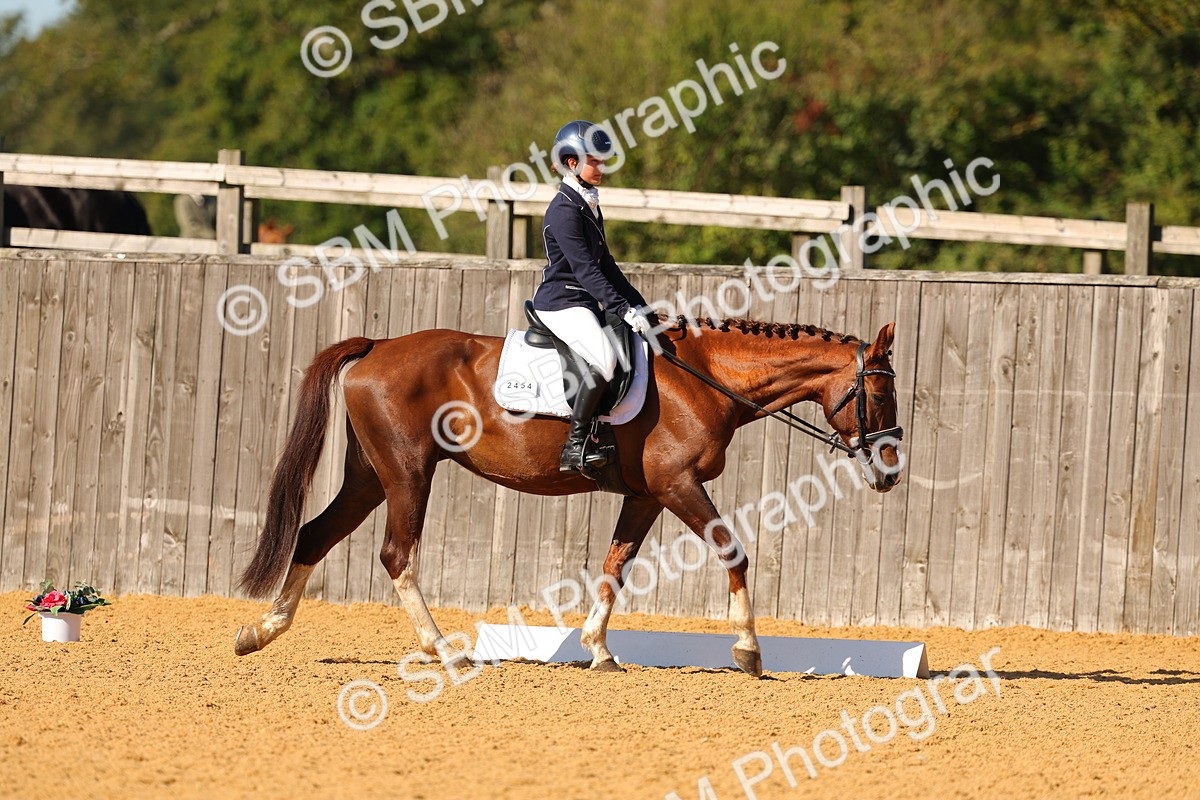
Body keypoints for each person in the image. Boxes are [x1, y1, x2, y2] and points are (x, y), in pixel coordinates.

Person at [532, 120, 654, 474]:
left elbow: (607, 264)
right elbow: (586, 270)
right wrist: (620, 308)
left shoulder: (587, 203)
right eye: (595, 161)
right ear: (572, 163)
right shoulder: (564, 210)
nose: (601, 167)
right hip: (561, 302)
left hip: (582, 300)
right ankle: (575, 445)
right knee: (605, 359)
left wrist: (638, 303)